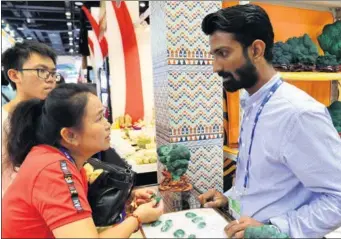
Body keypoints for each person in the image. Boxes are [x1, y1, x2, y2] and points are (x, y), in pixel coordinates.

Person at [199, 4, 341, 238]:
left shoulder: (298, 114)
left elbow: (337, 198)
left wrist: (276, 229)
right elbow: (264, 181)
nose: (216, 67)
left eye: (223, 53)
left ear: (256, 50)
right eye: (214, 55)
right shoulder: (251, 102)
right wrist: (230, 198)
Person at [2, 83, 164, 238]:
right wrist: (137, 218)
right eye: (99, 118)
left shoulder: (62, 160)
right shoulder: (52, 170)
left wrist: (127, 199)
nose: (107, 124)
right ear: (70, 136)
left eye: (105, 115)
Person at [1, 40, 60, 196]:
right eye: (41, 70)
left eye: (53, 72)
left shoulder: (53, 117)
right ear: (14, 75)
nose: (50, 78)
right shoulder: (4, 121)